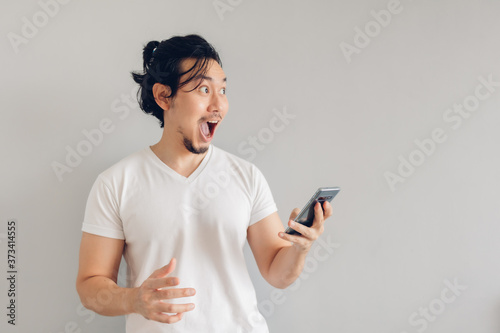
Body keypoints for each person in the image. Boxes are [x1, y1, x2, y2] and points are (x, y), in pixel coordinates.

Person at [75, 34, 333, 333]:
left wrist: (300, 248)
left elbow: (278, 273)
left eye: (223, 89)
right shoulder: (116, 183)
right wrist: (135, 300)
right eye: (204, 89)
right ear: (163, 96)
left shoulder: (246, 176)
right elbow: (90, 287)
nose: (218, 104)